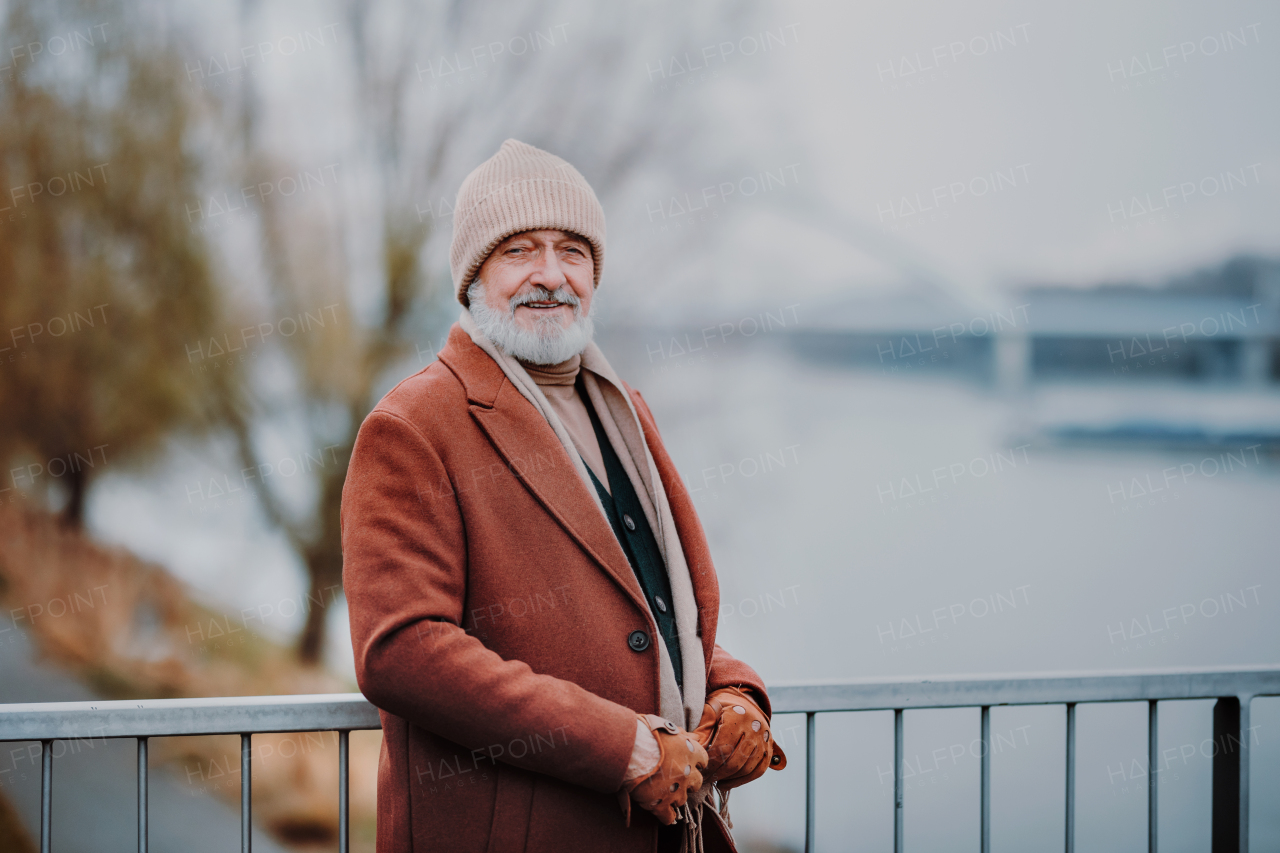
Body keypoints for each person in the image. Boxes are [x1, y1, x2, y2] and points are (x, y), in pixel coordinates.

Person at [341, 139, 785, 853]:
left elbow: (648, 611)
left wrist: (735, 691)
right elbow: (403, 649)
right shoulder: (414, 424)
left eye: (573, 251)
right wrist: (623, 746)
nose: (551, 275)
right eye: (520, 249)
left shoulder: (625, 412)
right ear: (472, 277)